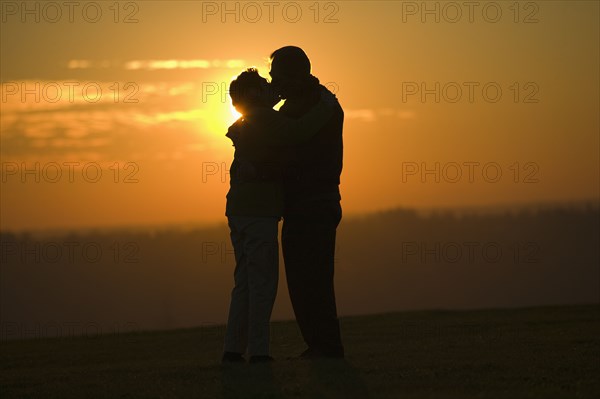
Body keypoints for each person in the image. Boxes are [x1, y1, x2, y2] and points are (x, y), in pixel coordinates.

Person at [222, 68, 337, 364]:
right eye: (265, 84)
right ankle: (259, 352)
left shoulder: (248, 121)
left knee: (245, 282)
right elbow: (298, 132)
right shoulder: (264, 117)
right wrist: (326, 106)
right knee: (263, 282)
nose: (272, 87)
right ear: (253, 95)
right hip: (259, 212)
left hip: (238, 210)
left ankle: (233, 350)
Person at [269, 46, 345, 359]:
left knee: (309, 280)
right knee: (308, 280)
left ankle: (325, 346)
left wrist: (263, 110)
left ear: (293, 74)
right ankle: (320, 345)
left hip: (310, 204)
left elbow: (285, 137)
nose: (273, 81)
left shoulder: (310, 106)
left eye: (277, 75)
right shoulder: (318, 101)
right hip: (312, 203)